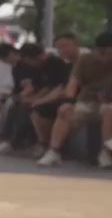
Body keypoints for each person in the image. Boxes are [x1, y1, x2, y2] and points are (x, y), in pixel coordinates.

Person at [38, 32, 111, 167]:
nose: (105, 57)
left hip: (108, 104)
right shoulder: (85, 60)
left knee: (108, 109)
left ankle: (106, 152)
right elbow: (73, 83)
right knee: (65, 111)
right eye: (103, 53)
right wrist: (69, 102)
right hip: (87, 102)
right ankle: (54, 151)